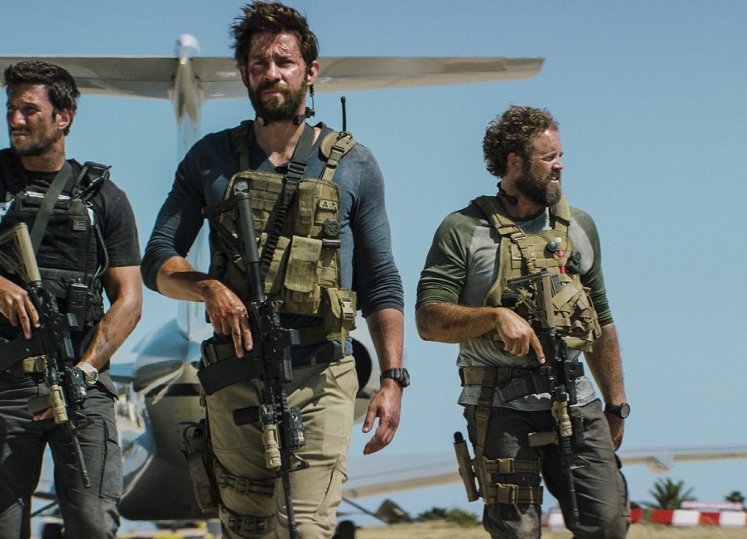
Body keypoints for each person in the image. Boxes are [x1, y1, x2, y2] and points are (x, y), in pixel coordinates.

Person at [141, 2, 406, 537]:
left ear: (310, 71)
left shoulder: (355, 165)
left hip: (321, 374)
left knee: (305, 528)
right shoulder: (209, 160)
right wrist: (208, 288)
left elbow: (381, 282)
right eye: (259, 63)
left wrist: (392, 378)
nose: (272, 73)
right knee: (247, 529)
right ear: (244, 74)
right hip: (234, 375)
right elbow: (158, 260)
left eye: (284, 61)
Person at [0, 61, 142, 538]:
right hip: (5, 384)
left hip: (81, 386)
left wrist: (86, 370)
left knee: (93, 521)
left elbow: (129, 300)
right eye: (10, 109)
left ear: (63, 117)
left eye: (29, 110)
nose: (15, 120)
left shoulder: (104, 196)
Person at [415, 106, 629, 538]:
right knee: (517, 531)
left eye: (560, 155)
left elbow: (601, 318)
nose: (560, 165)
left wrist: (616, 404)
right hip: (499, 406)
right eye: (549, 158)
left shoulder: (578, 226)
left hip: (576, 399)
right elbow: (428, 320)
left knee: (607, 522)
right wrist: (494, 316)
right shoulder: (463, 229)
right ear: (515, 162)